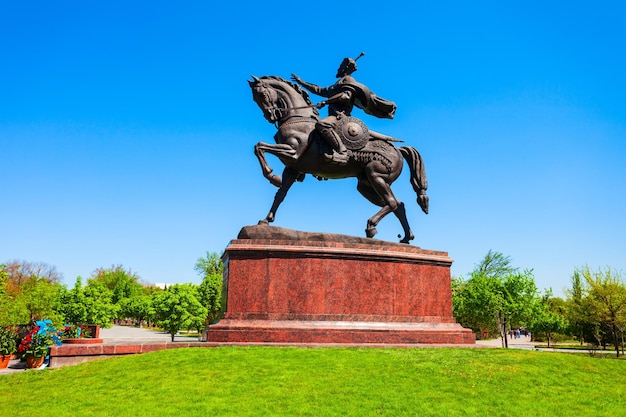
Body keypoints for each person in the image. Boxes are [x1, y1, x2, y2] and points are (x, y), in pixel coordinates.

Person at [291, 53, 396, 165]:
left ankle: (341, 152)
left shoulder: (348, 81)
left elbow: (346, 96)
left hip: (340, 116)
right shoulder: (338, 84)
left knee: (322, 124)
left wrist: (326, 101)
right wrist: (301, 82)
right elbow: (319, 90)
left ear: (345, 68)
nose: (338, 69)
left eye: (340, 67)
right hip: (334, 115)